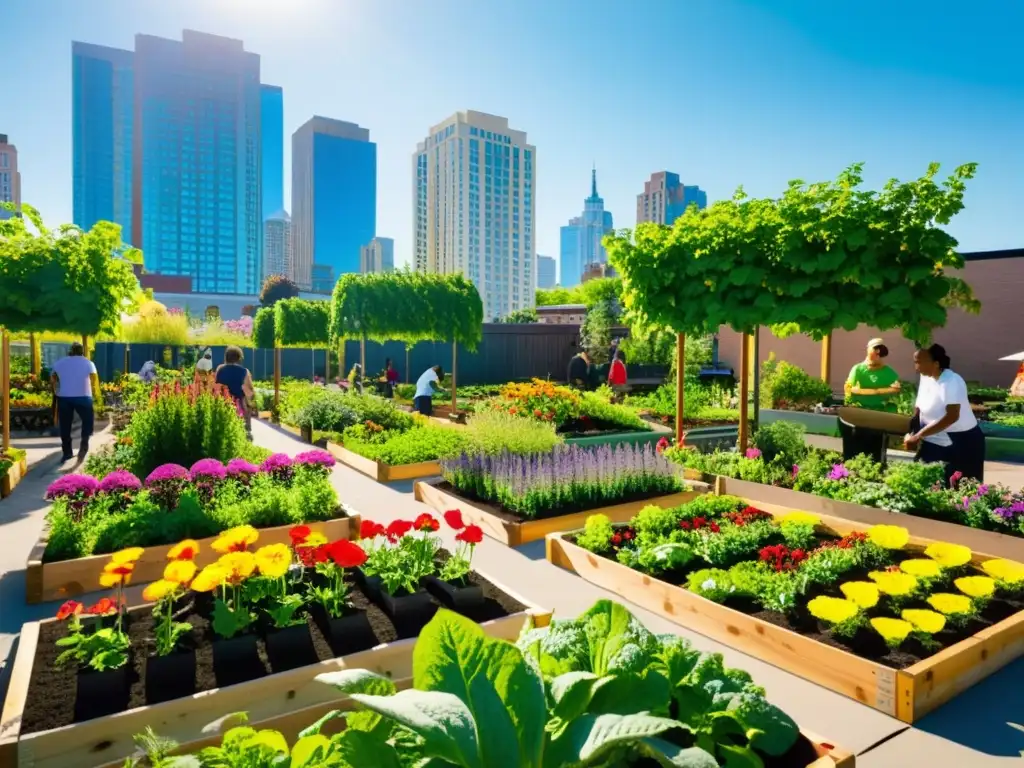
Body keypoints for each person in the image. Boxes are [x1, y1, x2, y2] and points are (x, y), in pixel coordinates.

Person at [905, 344, 985, 483]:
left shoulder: (951, 381)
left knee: (958, 488)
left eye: (920, 362)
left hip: (961, 443)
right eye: (915, 362)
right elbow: (919, 407)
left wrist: (918, 436)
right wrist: (913, 430)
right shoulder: (926, 377)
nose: (916, 367)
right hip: (932, 438)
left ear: (936, 363)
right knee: (926, 481)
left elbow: (952, 416)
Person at [840, 338, 902, 461]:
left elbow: (897, 392)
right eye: (875, 349)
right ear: (868, 349)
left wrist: (864, 392)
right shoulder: (858, 369)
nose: (877, 353)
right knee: (856, 453)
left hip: (879, 420)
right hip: (860, 418)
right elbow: (849, 390)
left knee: (876, 455)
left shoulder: (889, 372)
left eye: (880, 351)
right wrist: (882, 390)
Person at [50, 342, 97, 462]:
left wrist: (56, 391)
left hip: (64, 397)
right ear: (82, 351)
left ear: (70, 351)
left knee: (65, 425)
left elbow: (52, 379)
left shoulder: (60, 363)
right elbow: (94, 379)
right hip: (84, 396)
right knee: (88, 421)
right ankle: (84, 444)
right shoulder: (88, 363)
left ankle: (67, 453)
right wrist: (95, 394)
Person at [215, 346, 256, 439]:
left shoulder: (220, 369)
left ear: (226, 357)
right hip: (238, 402)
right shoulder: (244, 371)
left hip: (223, 401)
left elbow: (216, 384)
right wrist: (250, 400)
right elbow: (250, 389)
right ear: (239, 358)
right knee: (247, 407)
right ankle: (247, 432)